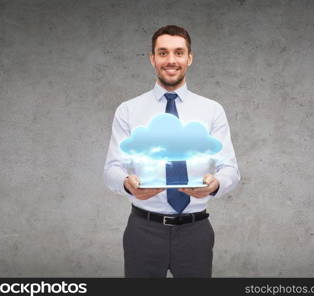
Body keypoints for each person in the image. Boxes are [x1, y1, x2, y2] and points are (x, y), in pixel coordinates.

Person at [103, 25, 240, 278]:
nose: (171, 60)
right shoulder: (128, 110)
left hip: (195, 232)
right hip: (143, 231)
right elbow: (112, 168)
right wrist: (126, 183)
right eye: (163, 53)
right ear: (152, 58)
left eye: (179, 52)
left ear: (189, 58)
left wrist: (214, 184)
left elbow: (230, 169)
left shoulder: (212, 110)